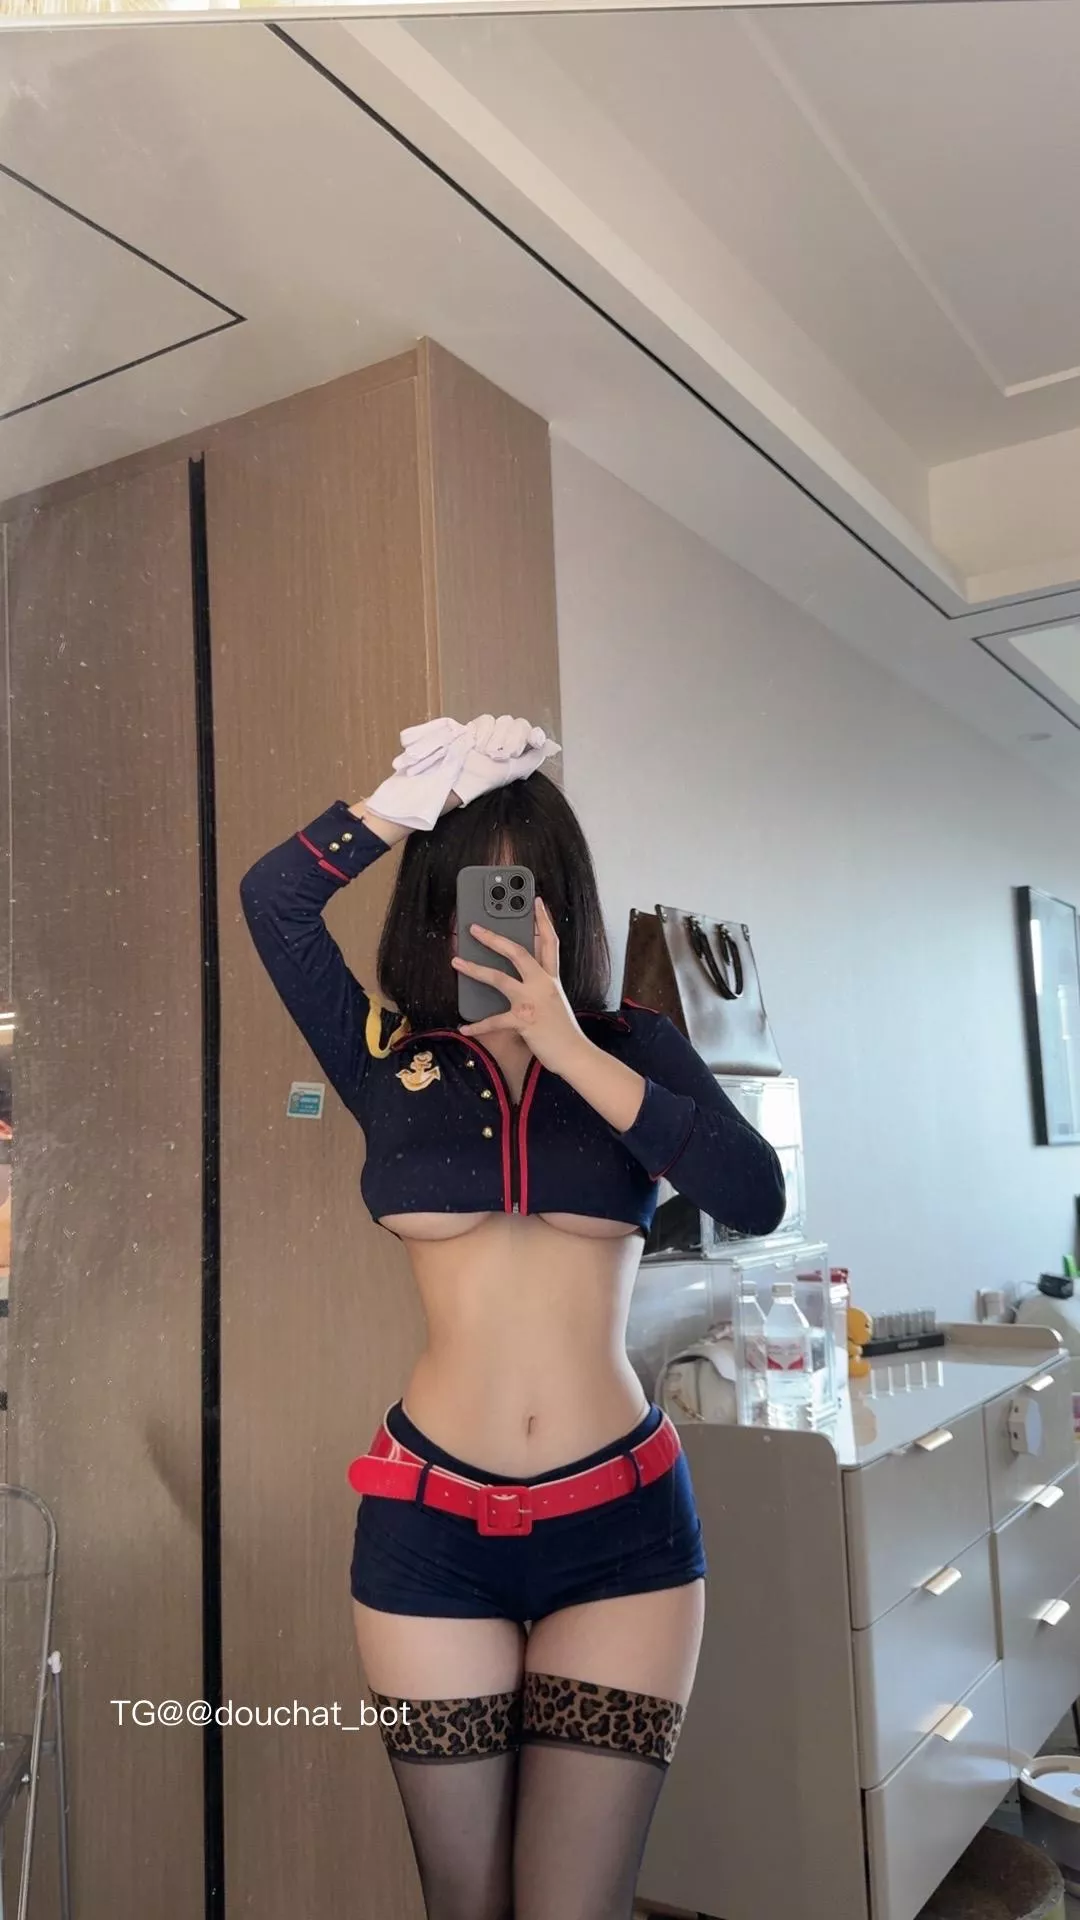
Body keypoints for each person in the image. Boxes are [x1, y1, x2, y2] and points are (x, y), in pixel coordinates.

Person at [240, 713, 786, 1920]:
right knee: (465, 1901)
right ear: (434, 906)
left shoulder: (633, 1047)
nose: (500, 920)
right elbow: (274, 901)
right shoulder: (386, 1053)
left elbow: (753, 1196)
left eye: (526, 892)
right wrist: (400, 804)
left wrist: (567, 1046)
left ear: (564, 908)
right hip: (429, 1532)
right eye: (474, 890)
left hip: (626, 1535)